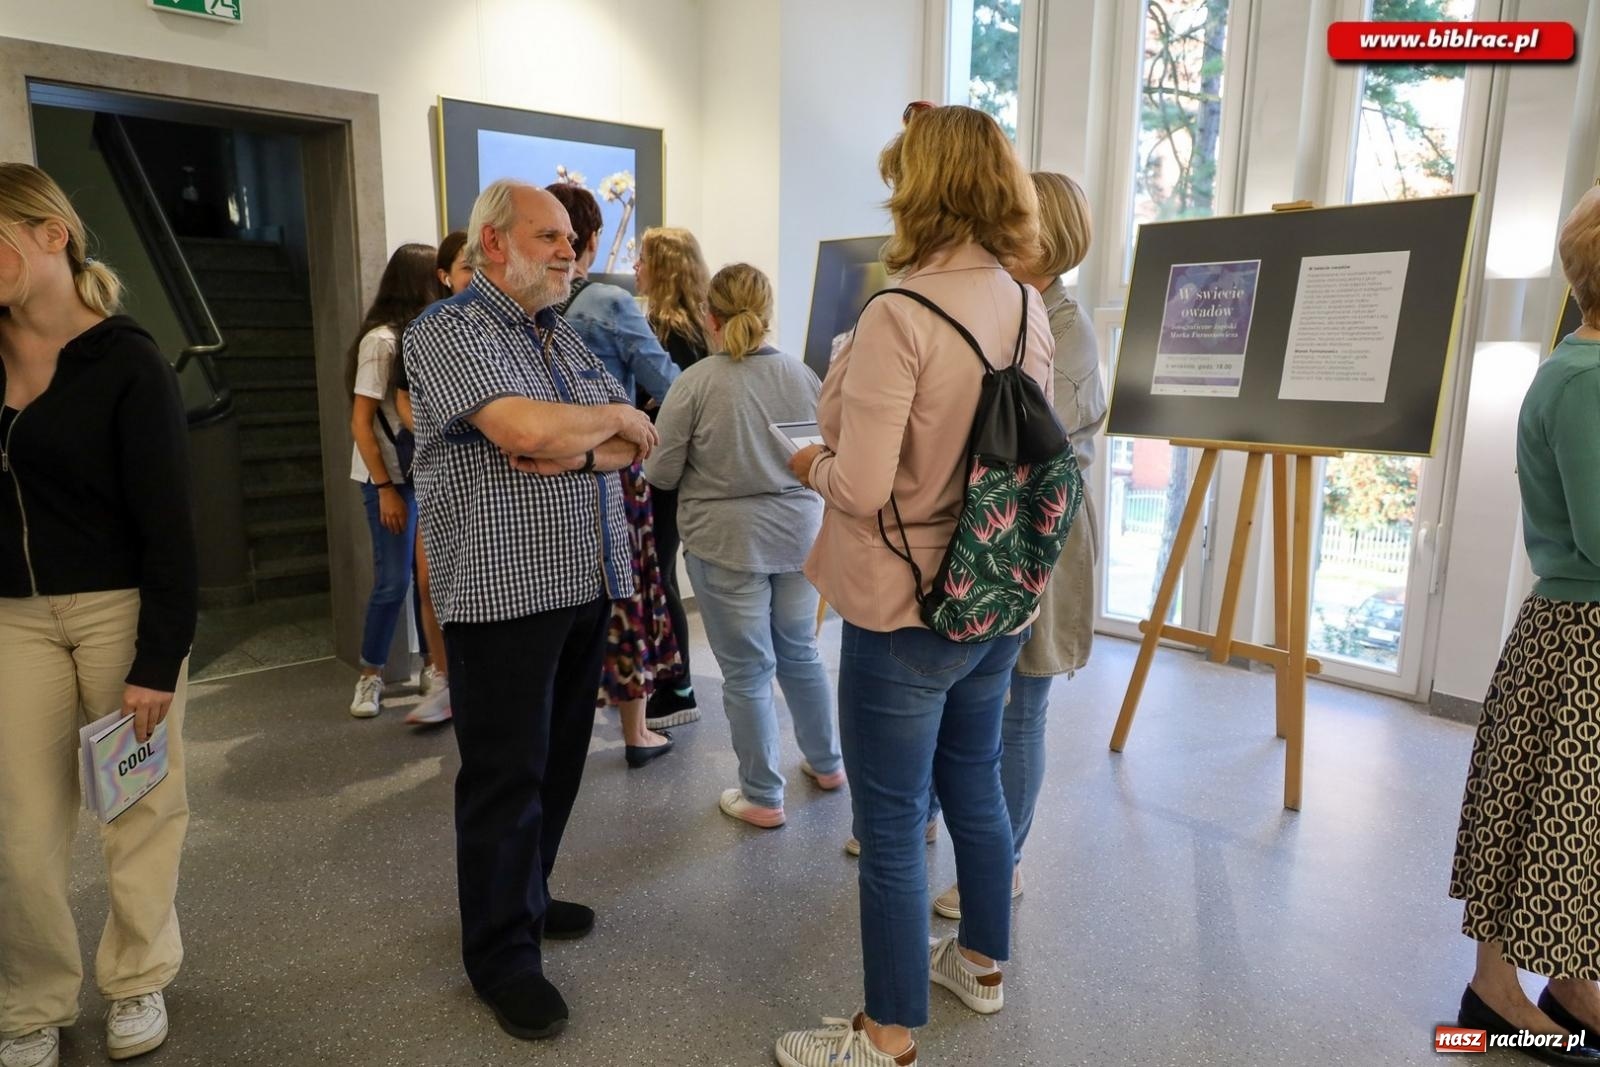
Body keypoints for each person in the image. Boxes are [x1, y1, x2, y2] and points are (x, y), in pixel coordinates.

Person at [774, 104, 1053, 1067]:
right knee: (973, 779)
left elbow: (858, 486)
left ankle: (885, 1034)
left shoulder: (899, 314)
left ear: (920, 188)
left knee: (891, 823)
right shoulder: (1026, 302)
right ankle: (982, 959)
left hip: (904, 604)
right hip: (997, 590)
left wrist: (809, 460)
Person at [402, 179, 659, 1042]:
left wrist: (579, 443)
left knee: (558, 763)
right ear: (494, 245)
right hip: (502, 592)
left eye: (571, 240)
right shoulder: (446, 331)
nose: (570, 251)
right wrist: (599, 421)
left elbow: (629, 445)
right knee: (505, 777)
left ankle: (529, 894)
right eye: (549, 236)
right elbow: (525, 431)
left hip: (583, 579)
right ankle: (501, 954)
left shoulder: (562, 334)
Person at [0, 163, 197, 1067]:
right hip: (13, 618)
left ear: (52, 234)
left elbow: (169, 525)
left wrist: (159, 658)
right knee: (17, 821)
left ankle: (137, 978)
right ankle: (33, 996)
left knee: (140, 806)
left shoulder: (128, 359)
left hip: (120, 609)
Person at [1447, 186, 1600, 1066]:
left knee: (1575, 820)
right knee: (1538, 814)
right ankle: (1493, 991)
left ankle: (1571, 979)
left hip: (1581, 631)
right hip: (1579, 636)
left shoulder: (1584, 368)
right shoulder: (1582, 381)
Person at [932, 170, 1104, 921]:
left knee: (1021, 708)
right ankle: (960, 838)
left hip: (1041, 538)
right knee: (974, 704)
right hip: (1000, 529)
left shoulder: (1061, 326)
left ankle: (1002, 866)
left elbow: (1031, 446)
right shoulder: (1021, 306)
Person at [643, 263, 842, 825]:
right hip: (799, 535)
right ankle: (828, 765)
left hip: (725, 542)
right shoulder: (805, 376)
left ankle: (762, 796)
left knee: (749, 672)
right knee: (801, 653)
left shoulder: (696, 383)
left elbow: (660, 473)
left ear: (709, 316)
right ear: (768, 314)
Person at [548, 182, 681, 766]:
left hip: (544, 469)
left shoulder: (523, 311)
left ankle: (555, 721)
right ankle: (636, 733)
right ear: (592, 239)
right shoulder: (608, 304)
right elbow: (669, 383)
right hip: (610, 471)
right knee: (626, 595)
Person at [345, 242, 441, 719]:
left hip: (422, 472)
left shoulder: (424, 334)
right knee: (392, 580)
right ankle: (370, 675)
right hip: (387, 477)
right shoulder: (381, 341)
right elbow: (361, 421)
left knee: (430, 579)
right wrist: (385, 488)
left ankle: (432, 665)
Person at [634, 225, 710, 730]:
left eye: (642, 259)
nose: (635, 267)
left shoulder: (667, 332)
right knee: (661, 572)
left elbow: (668, 408)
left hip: (662, 469)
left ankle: (676, 687)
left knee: (657, 575)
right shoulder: (702, 327)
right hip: (685, 470)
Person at [393, 230, 469, 727]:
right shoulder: (424, 331)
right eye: (466, 267)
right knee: (429, 579)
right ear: (444, 277)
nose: (476, 276)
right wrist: (436, 427)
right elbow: (401, 396)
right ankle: (444, 677)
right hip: (433, 475)